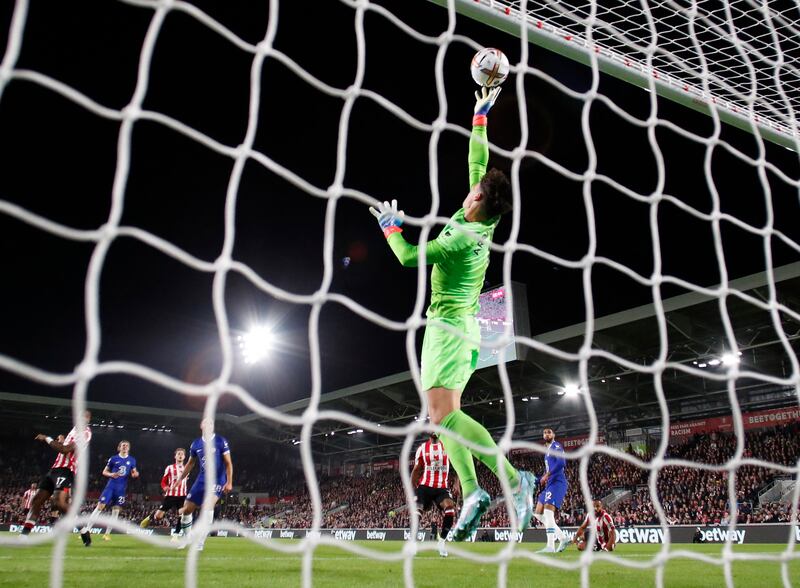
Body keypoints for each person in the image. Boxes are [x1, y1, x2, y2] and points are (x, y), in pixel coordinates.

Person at [370, 87, 536, 541]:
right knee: (441, 416)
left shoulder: (462, 237)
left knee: (442, 417)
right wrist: (480, 115)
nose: (470, 189)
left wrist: (390, 230)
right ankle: (471, 492)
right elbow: (477, 162)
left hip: (448, 326)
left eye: (475, 191)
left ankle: (513, 480)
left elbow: (408, 258)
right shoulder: (488, 217)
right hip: (458, 325)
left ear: (481, 203)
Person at [19, 411, 93, 537]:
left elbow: (65, 450)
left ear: (88, 420)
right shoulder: (74, 430)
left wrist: (47, 438)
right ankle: (24, 535)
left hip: (67, 470)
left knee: (59, 503)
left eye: (86, 417)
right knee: (36, 500)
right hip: (55, 469)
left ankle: (83, 530)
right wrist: (62, 442)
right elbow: (65, 446)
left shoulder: (85, 433)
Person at [173, 419, 233, 551]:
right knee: (187, 509)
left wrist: (229, 482)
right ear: (201, 425)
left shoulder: (220, 441)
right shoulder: (196, 444)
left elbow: (228, 463)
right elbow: (190, 463)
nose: (209, 425)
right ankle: (186, 537)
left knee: (207, 506)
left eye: (211, 423)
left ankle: (200, 541)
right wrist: (179, 479)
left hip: (217, 479)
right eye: (206, 423)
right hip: (201, 479)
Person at [79, 440, 139, 546]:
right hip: (110, 487)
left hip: (121, 489)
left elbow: (134, 472)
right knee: (100, 506)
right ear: (119, 447)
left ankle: (107, 534)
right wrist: (111, 474)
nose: (125, 447)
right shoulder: (113, 458)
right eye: (123, 445)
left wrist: (135, 474)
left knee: (115, 511)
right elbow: (104, 471)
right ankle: (87, 529)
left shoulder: (132, 460)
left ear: (128, 448)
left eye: (126, 446)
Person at [411, 434, 457, 557]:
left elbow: (458, 463)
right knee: (417, 511)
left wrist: (457, 482)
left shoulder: (447, 445)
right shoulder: (422, 448)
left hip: (441, 487)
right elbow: (416, 469)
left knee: (450, 510)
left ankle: (441, 542)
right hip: (424, 486)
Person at [140, 447, 188, 542]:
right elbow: (163, 482)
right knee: (159, 516)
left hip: (182, 496)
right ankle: (150, 517)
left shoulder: (187, 468)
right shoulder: (170, 468)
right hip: (170, 495)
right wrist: (165, 487)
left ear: (185, 456)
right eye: (178, 453)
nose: (180, 455)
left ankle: (175, 535)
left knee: (181, 515)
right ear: (175, 456)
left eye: (182, 454)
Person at [534, 428, 569, 552]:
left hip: (557, 483)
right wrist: (535, 480)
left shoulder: (556, 446)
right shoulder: (547, 451)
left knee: (548, 513)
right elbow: (546, 471)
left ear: (553, 435)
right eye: (544, 432)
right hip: (549, 484)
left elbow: (561, 463)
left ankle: (550, 546)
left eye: (549, 432)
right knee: (538, 513)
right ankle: (563, 537)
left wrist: (547, 475)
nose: (547, 434)